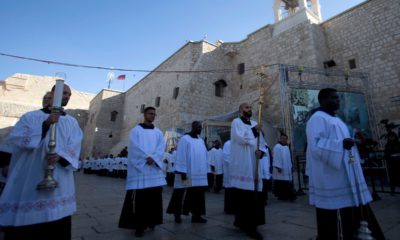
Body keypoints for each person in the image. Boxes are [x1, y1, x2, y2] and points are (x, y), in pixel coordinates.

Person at [0, 84, 83, 240]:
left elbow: (75, 143)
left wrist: (61, 156)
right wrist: (45, 125)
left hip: (59, 174)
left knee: (57, 219)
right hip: (31, 172)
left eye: (69, 94)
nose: (66, 96)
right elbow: (16, 138)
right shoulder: (30, 117)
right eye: (63, 93)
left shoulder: (71, 122)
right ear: (52, 94)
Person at [306, 88, 384, 240]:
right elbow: (315, 146)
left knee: (351, 211)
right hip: (331, 176)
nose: (338, 100)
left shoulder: (337, 119)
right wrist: (340, 144)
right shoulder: (317, 118)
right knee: (334, 214)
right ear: (323, 100)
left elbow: (345, 142)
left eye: (338, 98)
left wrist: (357, 144)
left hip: (347, 172)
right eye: (334, 98)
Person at [118, 106, 166, 237]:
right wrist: (146, 158)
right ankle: (139, 226)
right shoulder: (136, 131)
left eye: (154, 114)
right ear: (144, 115)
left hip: (153, 171)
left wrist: (154, 157)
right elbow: (134, 148)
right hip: (141, 170)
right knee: (140, 200)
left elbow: (161, 147)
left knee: (154, 199)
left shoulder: (158, 132)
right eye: (150, 113)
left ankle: (152, 221)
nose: (152, 116)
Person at [230, 102, 267, 240]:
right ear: (240, 111)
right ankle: (247, 225)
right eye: (246, 107)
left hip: (254, 163)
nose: (249, 109)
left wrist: (261, 152)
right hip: (243, 164)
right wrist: (254, 130)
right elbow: (240, 138)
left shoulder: (254, 124)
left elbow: (262, 143)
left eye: (250, 107)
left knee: (254, 195)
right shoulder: (236, 122)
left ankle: (249, 223)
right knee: (245, 196)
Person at [166, 121, 208, 223]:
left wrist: (206, 169)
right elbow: (181, 154)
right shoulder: (185, 139)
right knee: (180, 193)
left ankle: (196, 215)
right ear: (193, 127)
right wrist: (182, 171)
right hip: (186, 173)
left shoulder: (201, 140)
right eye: (198, 127)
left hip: (199, 174)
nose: (199, 128)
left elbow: (205, 155)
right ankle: (177, 214)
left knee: (198, 194)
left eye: (200, 127)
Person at [272, 133, 296, 201]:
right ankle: (281, 196)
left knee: (286, 183)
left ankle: (287, 195)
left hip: (287, 168)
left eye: (285, 139)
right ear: (280, 139)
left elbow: (289, 158)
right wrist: (278, 167)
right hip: (280, 168)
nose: (284, 140)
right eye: (282, 138)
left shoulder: (286, 147)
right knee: (281, 183)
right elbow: (276, 157)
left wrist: (290, 165)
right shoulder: (277, 147)